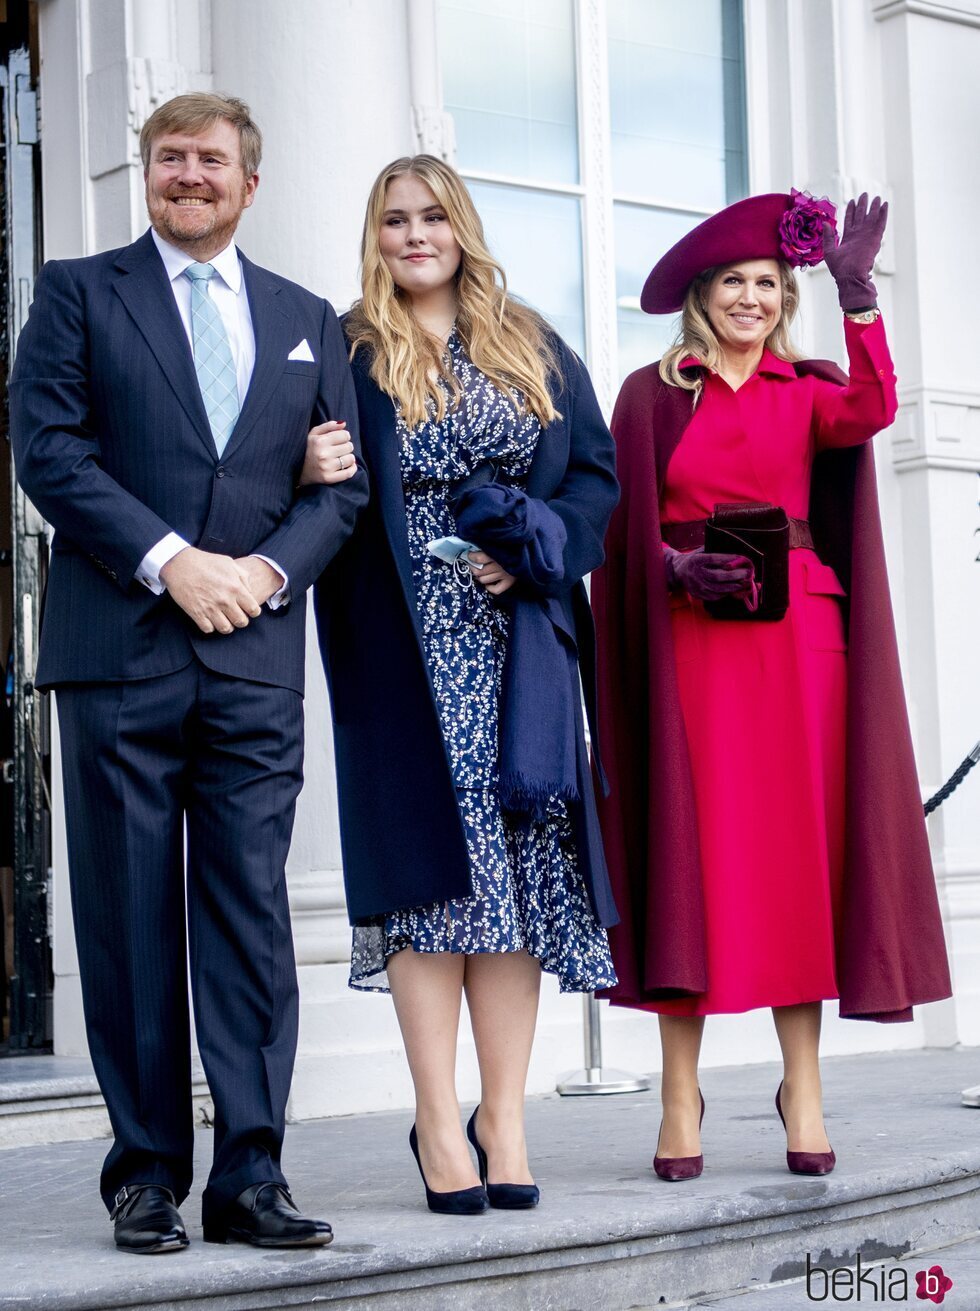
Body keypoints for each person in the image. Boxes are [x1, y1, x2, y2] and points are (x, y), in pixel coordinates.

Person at [10, 93, 365, 1252]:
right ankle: (147, 1173)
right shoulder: (76, 291)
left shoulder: (308, 318)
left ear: (249, 183)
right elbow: (47, 452)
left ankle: (250, 1172)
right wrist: (173, 566)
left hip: (254, 655)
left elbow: (342, 490)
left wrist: (259, 575)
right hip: (120, 646)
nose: (190, 175)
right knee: (125, 916)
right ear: (146, 174)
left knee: (251, 915)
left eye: (212, 159)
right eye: (171, 158)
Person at [592, 191, 951, 1180]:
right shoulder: (651, 393)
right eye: (731, 284)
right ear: (699, 299)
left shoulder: (808, 387)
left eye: (765, 284)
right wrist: (670, 567)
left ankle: (802, 1088)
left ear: (782, 296)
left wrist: (857, 295)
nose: (749, 298)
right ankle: (678, 1094)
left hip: (801, 644)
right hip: (693, 641)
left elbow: (874, 411)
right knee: (694, 858)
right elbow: (619, 534)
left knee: (794, 859)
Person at [311, 154, 619, 1214]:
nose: (412, 234)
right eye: (392, 218)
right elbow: (304, 473)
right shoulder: (345, 349)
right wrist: (307, 466)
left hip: (515, 640)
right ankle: (438, 1121)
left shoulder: (529, 340)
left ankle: (507, 1117)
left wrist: (534, 547)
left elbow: (592, 477)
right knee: (428, 879)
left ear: (462, 226)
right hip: (399, 641)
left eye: (431, 215)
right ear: (375, 235)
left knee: (515, 885)